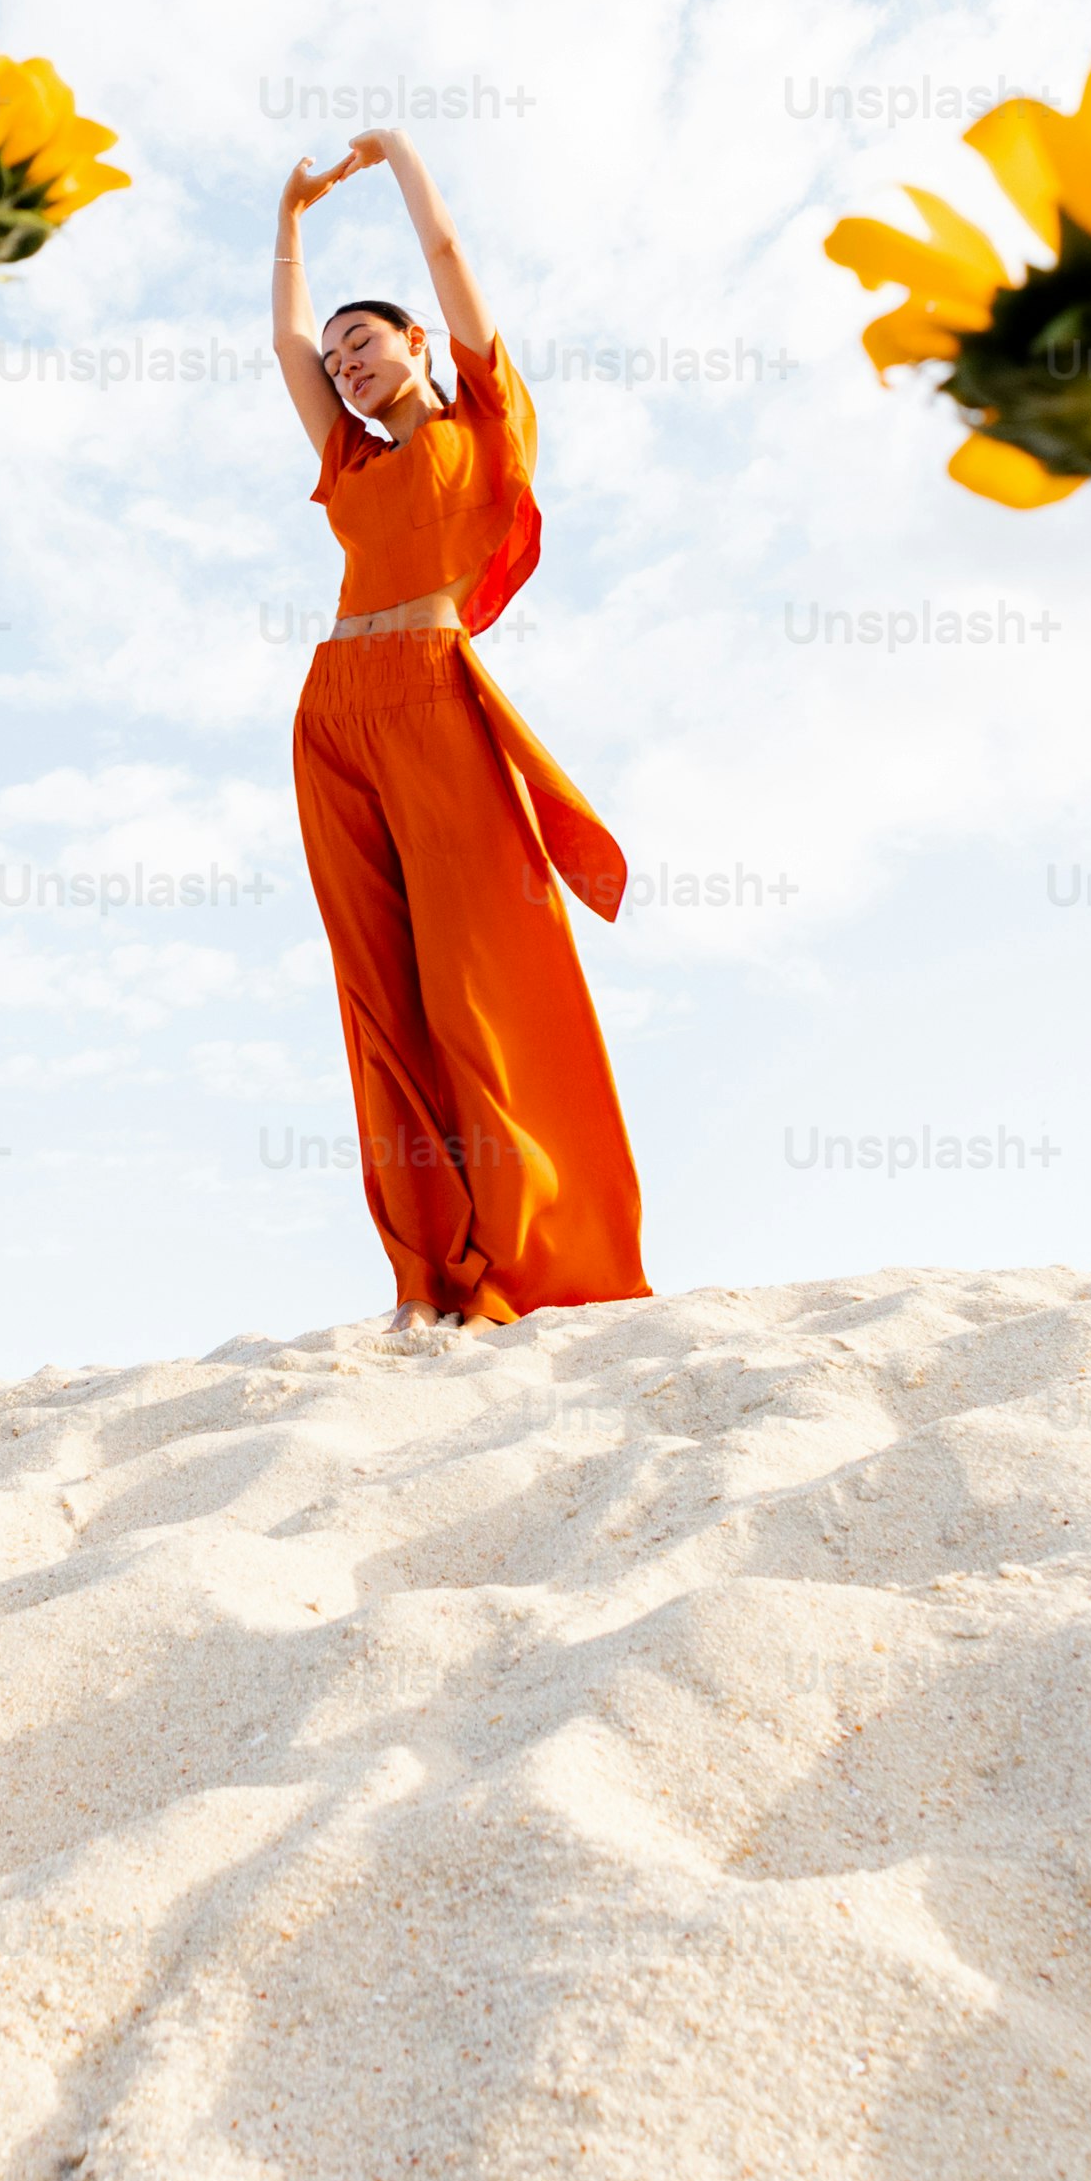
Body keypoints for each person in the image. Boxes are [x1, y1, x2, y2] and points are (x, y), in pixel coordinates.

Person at [270, 125, 646, 1324]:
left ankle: (536, 1252)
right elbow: (281, 342)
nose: (342, 366)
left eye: (361, 341)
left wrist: (397, 161)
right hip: (332, 717)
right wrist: (285, 222)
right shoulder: (346, 461)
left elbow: (441, 247)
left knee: (475, 983)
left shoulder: (482, 424)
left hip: (436, 694)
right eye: (335, 359)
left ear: (415, 342)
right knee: (379, 995)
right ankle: (425, 1274)